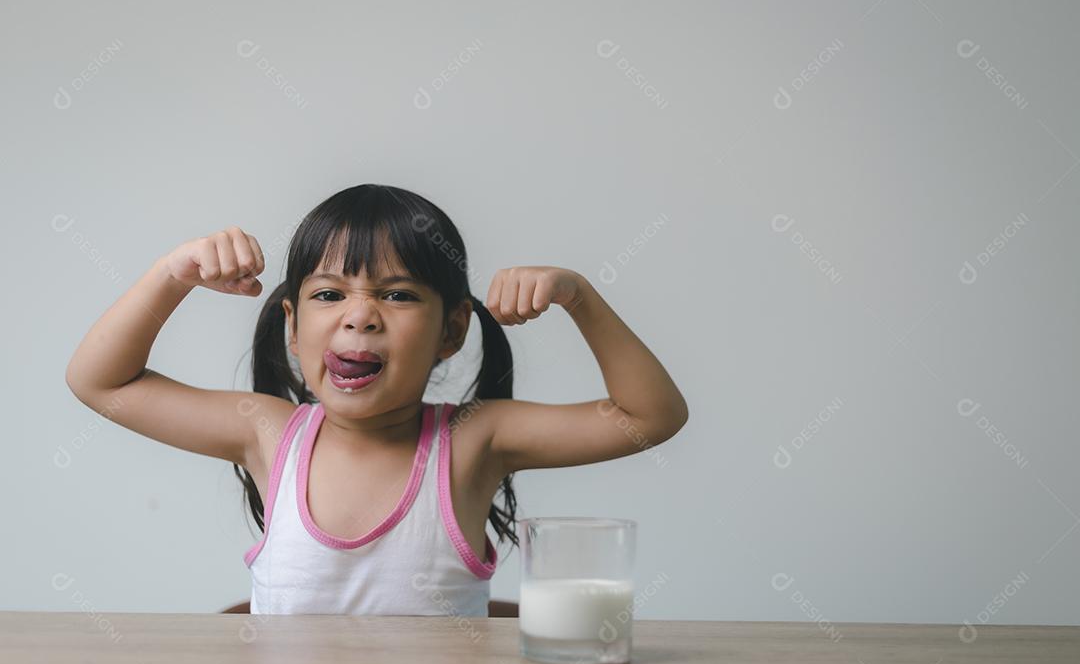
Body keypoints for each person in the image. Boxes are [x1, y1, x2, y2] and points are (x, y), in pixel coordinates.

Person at [66, 183, 689, 616]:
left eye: (397, 295)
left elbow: (651, 416)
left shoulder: (476, 439)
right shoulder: (268, 433)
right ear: (292, 324)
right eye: (330, 295)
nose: (360, 317)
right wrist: (173, 274)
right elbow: (101, 381)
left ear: (453, 330)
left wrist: (578, 296)